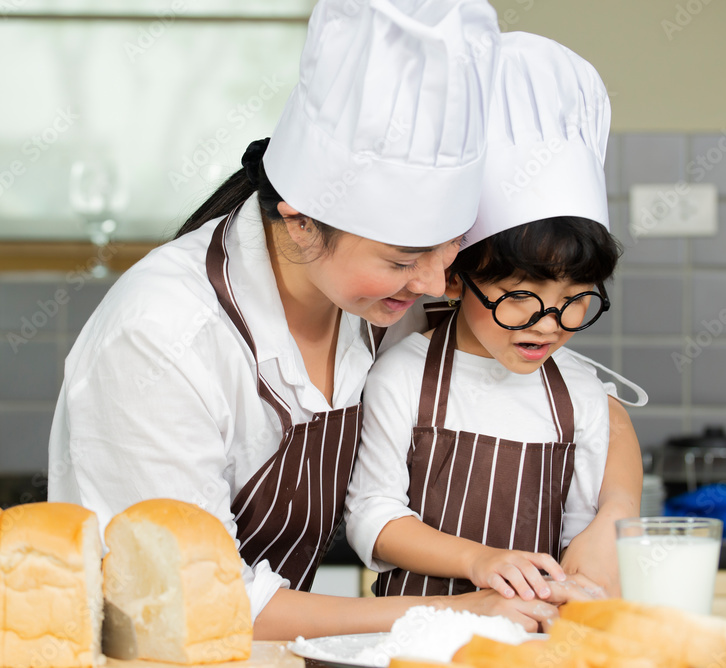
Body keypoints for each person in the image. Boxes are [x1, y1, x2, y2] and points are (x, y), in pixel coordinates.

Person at [47, 0, 589, 639]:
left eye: (452, 248)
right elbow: (194, 602)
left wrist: (612, 509)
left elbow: (547, 373)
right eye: (401, 259)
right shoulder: (161, 338)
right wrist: (456, 610)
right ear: (300, 221)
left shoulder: (381, 305)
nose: (434, 283)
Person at [344, 31, 647, 603]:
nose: (549, 323)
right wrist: (480, 562)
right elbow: (373, 518)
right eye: (520, 295)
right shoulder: (402, 377)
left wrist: (586, 580)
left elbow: (586, 538)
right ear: (456, 277)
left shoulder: (579, 394)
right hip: (414, 635)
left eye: (577, 297)